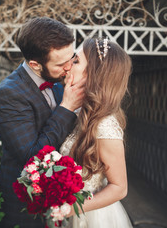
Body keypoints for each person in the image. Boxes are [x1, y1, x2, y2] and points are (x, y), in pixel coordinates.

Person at [0, 17, 85, 228]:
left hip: (62, 198)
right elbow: (30, 156)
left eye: (72, 58)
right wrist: (67, 108)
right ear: (35, 64)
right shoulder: (9, 94)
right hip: (26, 205)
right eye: (62, 64)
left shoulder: (60, 84)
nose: (69, 68)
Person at [60, 37, 133, 228]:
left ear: (93, 73)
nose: (68, 66)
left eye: (76, 61)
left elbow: (119, 188)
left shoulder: (105, 125)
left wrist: (70, 208)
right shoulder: (78, 113)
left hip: (91, 216)